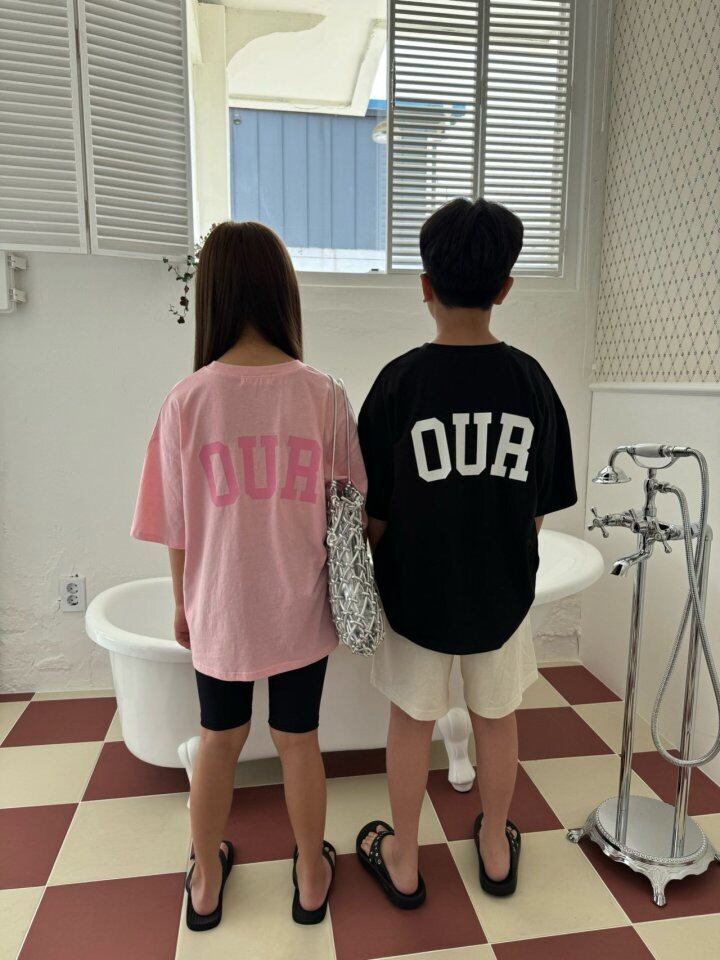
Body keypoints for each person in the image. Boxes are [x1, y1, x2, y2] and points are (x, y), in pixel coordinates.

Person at [131, 221, 365, 930]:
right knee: (298, 741)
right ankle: (312, 874)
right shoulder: (324, 395)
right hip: (301, 603)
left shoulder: (186, 400)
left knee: (219, 739)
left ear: (213, 296)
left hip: (221, 608)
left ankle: (205, 879)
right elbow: (351, 506)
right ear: (282, 291)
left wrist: (182, 604)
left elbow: (173, 525)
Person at [355, 197, 577, 906]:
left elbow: (373, 513)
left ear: (424, 285)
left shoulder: (397, 383)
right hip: (501, 595)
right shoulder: (532, 383)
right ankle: (495, 850)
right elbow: (537, 509)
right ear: (505, 288)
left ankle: (404, 860)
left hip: (413, 593)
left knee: (409, 722)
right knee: (497, 718)